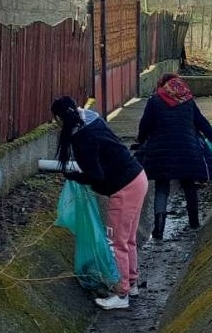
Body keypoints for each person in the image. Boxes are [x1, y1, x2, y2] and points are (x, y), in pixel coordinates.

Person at [51, 96, 147, 310]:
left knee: (116, 242)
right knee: (128, 238)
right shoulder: (92, 120)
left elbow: (96, 175)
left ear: (60, 118)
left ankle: (121, 295)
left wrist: (76, 178)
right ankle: (131, 283)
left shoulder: (81, 138)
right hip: (138, 177)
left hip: (124, 188)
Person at [136, 74, 212, 239]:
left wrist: (141, 140)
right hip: (187, 150)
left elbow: (145, 125)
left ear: (162, 86)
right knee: (189, 185)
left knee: (162, 187)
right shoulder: (187, 101)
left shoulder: (155, 100)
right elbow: (202, 123)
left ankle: (159, 229)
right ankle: (194, 222)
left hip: (160, 152)